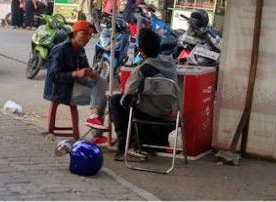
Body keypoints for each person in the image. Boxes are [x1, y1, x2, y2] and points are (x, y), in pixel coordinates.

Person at [107, 28, 178, 160]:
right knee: (131, 102)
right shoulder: (170, 63)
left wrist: (132, 98)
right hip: (168, 110)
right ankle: (140, 141)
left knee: (115, 101)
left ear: (141, 50)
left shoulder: (141, 70)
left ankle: (123, 145)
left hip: (149, 113)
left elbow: (125, 100)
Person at [43, 21, 110, 146]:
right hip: (60, 88)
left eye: (89, 35)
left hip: (75, 83)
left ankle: (94, 120)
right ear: (74, 33)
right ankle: (96, 130)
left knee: (101, 80)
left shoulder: (80, 50)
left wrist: (91, 73)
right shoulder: (60, 49)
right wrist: (75, 74)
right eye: (84, 34)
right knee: (102, 98)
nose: (87, 38)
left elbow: (85, 68)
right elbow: (54, 76)